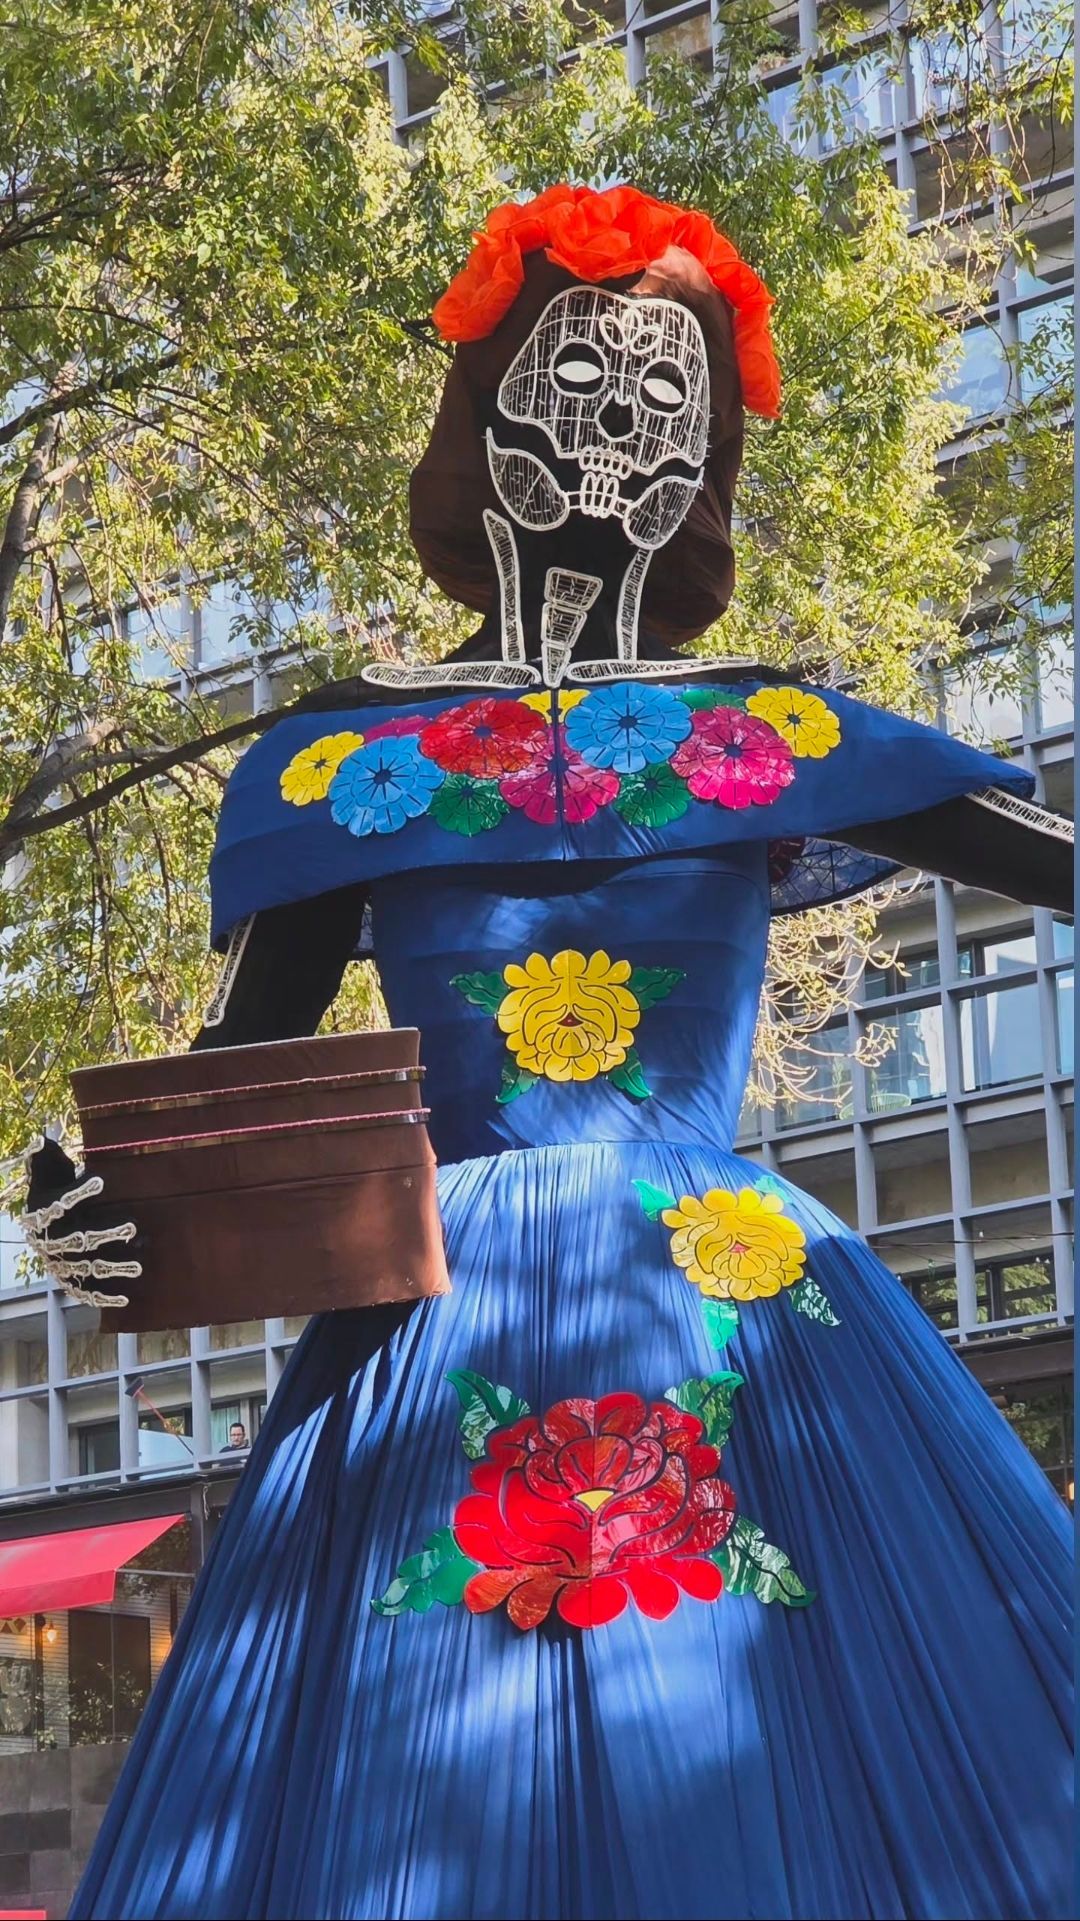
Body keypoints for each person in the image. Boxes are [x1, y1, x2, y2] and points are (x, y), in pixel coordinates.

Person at [32, 185, 1070, 1919]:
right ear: (489, 413)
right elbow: (233, 1076)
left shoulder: (772, 732)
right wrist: (90, 1205)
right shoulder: (341, 761)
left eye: (671, 400)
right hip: (438, 1329)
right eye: (579, 379)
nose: (621, 430)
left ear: (706, 466)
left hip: (720, 1301)